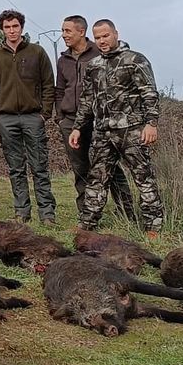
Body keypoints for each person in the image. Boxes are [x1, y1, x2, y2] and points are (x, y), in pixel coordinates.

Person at [72, 19, 166, 235]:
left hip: (132, 130)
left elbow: (149, 93)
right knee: (96, 178)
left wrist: (151, 124)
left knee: (143, 177)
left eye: (106, 35)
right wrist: (78, 127)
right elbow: (87, 99)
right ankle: (87, 225)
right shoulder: (94, 66)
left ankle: (154, 225)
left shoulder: (134, 60)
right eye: (98, 37)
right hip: (102, 132)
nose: (102, 40)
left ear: (115, 34)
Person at [56, 14, 135, 222]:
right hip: (71, 121)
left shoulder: (99, 52)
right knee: (80, 168)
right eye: (63, 31)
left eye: (67, 31)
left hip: (99, 121)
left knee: (109, 166)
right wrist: (60, 116)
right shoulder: (62, 59)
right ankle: (86, 213)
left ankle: (125, 211)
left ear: (81, 32)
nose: (64, 35)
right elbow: (59, 90)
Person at [0, 9, 57, 223]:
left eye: (15, 26)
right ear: (2, 30)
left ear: (21, 27)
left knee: (39, 166)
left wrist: (45, 113)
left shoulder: (37, 52)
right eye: (7, 27)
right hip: (7, 119)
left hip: (33, 117)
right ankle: (22, 211)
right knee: (16, 168)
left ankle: (47, 212)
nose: (12, 30)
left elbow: (48, 85)